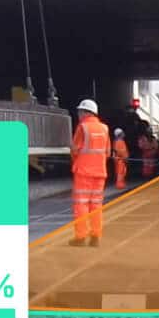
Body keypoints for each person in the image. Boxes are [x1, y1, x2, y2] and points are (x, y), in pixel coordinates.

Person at [70, 98, 111, 247]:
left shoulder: (82, 127)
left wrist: (77, 160)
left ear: (86, 112)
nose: (78, 114)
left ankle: (81, 237)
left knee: (81, 205)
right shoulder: (105, 128)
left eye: (80, 111)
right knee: (96, 205)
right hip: (100, 173)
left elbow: (75, 150)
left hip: (83, 172)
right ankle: (95, 236)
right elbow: (107, 152)